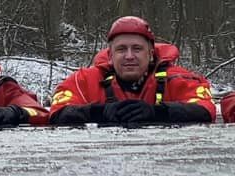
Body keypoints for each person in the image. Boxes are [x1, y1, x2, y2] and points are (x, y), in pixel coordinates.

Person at [46, 15, 217, 127]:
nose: (129, 56)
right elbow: (57, 113)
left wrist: (157, 112)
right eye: (121, 49)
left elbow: (205, 110)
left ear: (151, 54)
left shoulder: (179, 78)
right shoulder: (83, 80)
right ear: (110, 55)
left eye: (137, 49)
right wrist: (99, 112)